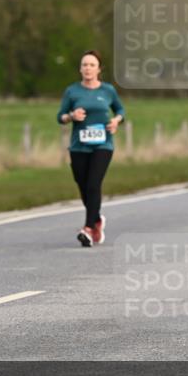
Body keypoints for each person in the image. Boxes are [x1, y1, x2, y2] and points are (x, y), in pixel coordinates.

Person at [57, 50, 125, 247]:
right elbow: (60, 117)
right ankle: (96, 220)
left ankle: (87, 228)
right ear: (80, 69)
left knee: (94, 184)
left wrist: (116, 121)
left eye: (92, 65)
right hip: (79, 146)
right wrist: (71, 116)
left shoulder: (107, 90)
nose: (88, 68)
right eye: (84, 65)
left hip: (103, 144)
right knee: (83, 185)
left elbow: (120, 110)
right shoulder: (72, 92)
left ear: (98, 69)